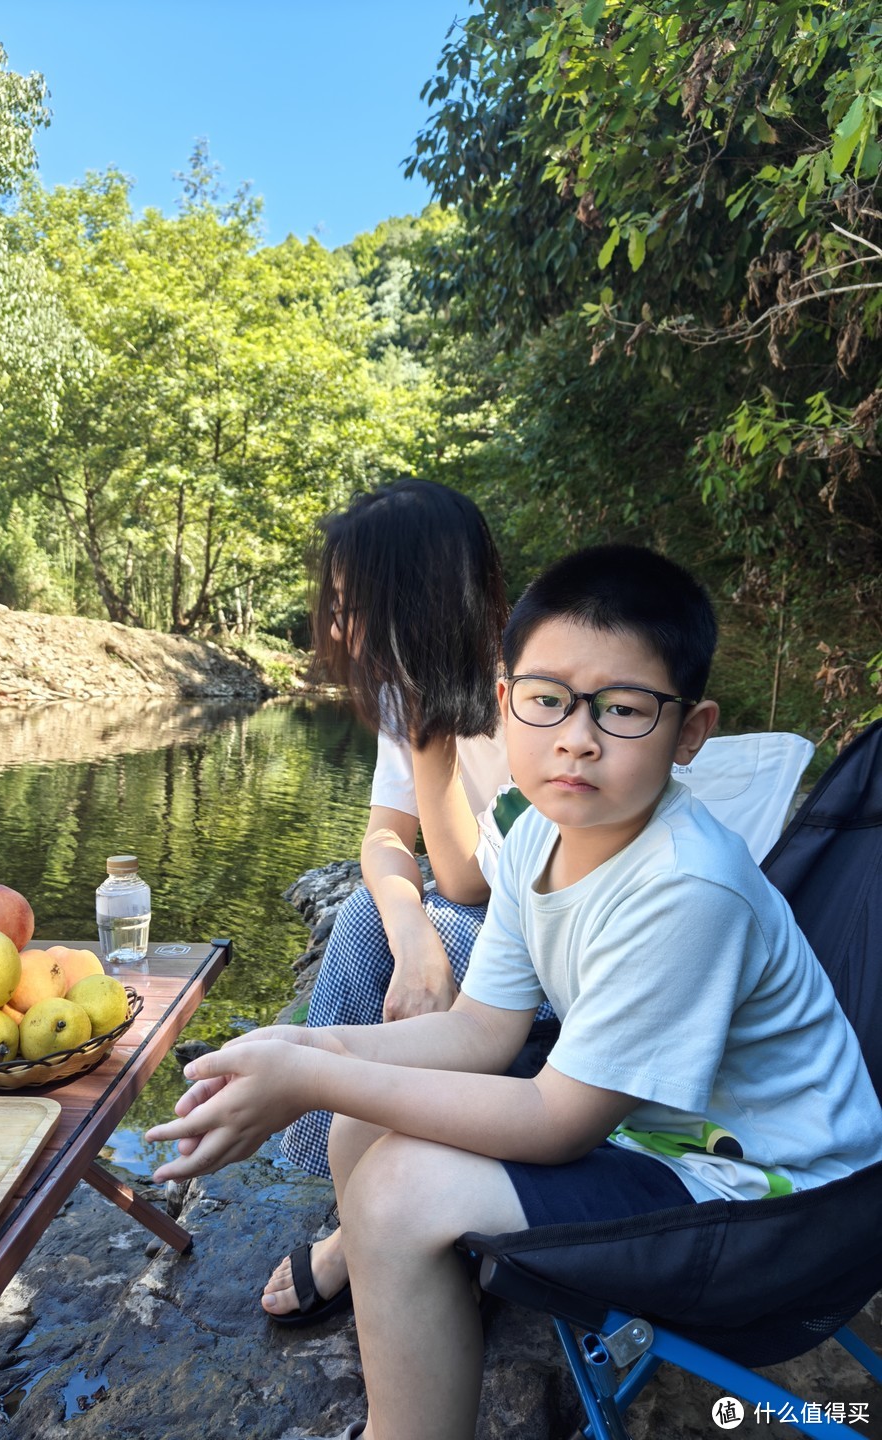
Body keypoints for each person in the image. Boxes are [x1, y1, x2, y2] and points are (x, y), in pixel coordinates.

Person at [147, 544, 882, 1440]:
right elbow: (481, 1032)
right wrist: (304, 1050)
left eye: (624, 708)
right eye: (548, 700)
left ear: (691, 732)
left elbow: (555, 1121)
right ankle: (410, 1303)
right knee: (360, 1122)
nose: (577, 736)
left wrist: (310, 1077)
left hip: (779, 1207)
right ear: (504, 706)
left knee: (401, 1188)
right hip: (663, 1130)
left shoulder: (689, 886)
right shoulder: (535, 834)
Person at [267, 478, 551, 1326]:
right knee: (370, 915)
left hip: (544, 942)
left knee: (430, 932)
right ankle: (346, 1182)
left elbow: (469, 883)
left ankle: (375, 1220)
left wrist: (431, 744)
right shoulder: (406, 695)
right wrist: (413, 935)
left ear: (421, 601)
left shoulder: (537, 700)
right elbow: (384, 840)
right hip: (479, 916)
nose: (344, 628)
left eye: (358, 606)